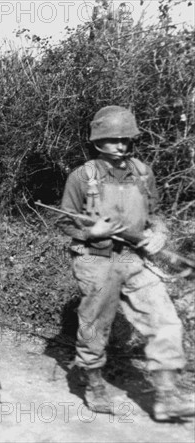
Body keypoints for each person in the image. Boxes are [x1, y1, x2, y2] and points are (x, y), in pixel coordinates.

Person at [57, 105, 194, 421]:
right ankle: (93, 383)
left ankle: (167, 396)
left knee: (165, 320)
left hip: (135, 259)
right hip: (96, 260)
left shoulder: (143, 173)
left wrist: (159, 232)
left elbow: (155, 215)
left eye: (127, 139)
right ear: (98, 142)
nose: (122, 145)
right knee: (94, 327)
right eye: (114, 139)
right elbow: (65, 222)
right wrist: (92, 230)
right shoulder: (82, 177)